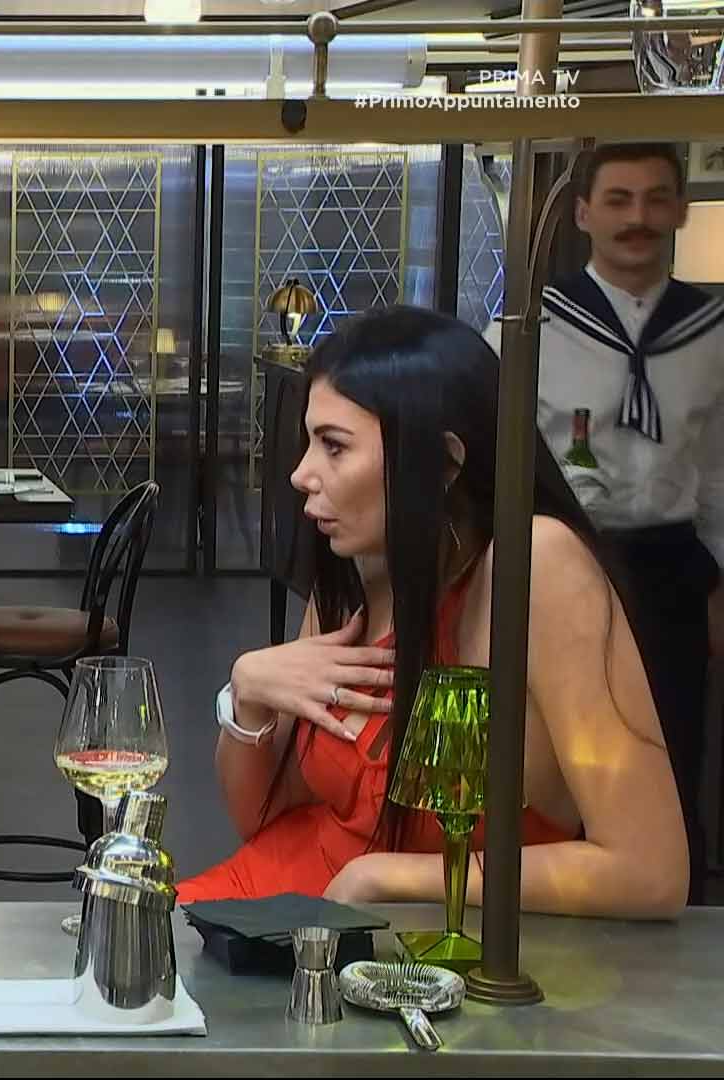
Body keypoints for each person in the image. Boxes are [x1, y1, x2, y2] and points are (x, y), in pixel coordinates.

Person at [182, 306, 688, 919]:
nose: (301, 474)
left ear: (444, 463)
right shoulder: (363, 569)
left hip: (385, 941)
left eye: (334, 447)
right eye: (309, 442)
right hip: (269, 914)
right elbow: (260, 819)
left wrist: (390, 877)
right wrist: (247, 698)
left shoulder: (536, 568)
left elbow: (649, 871)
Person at [486, 142, 723, 902]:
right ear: (584, 214)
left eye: (656, 198)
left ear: (681, 209)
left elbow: (720, 471)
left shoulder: (712, 332)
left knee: (669, 745)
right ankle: (555, 899)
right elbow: (496, 459)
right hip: (564, 564)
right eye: (619, 200)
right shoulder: (531, 327)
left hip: (671, 571)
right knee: (563, 752)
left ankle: (668, 906)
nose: (638, 218)